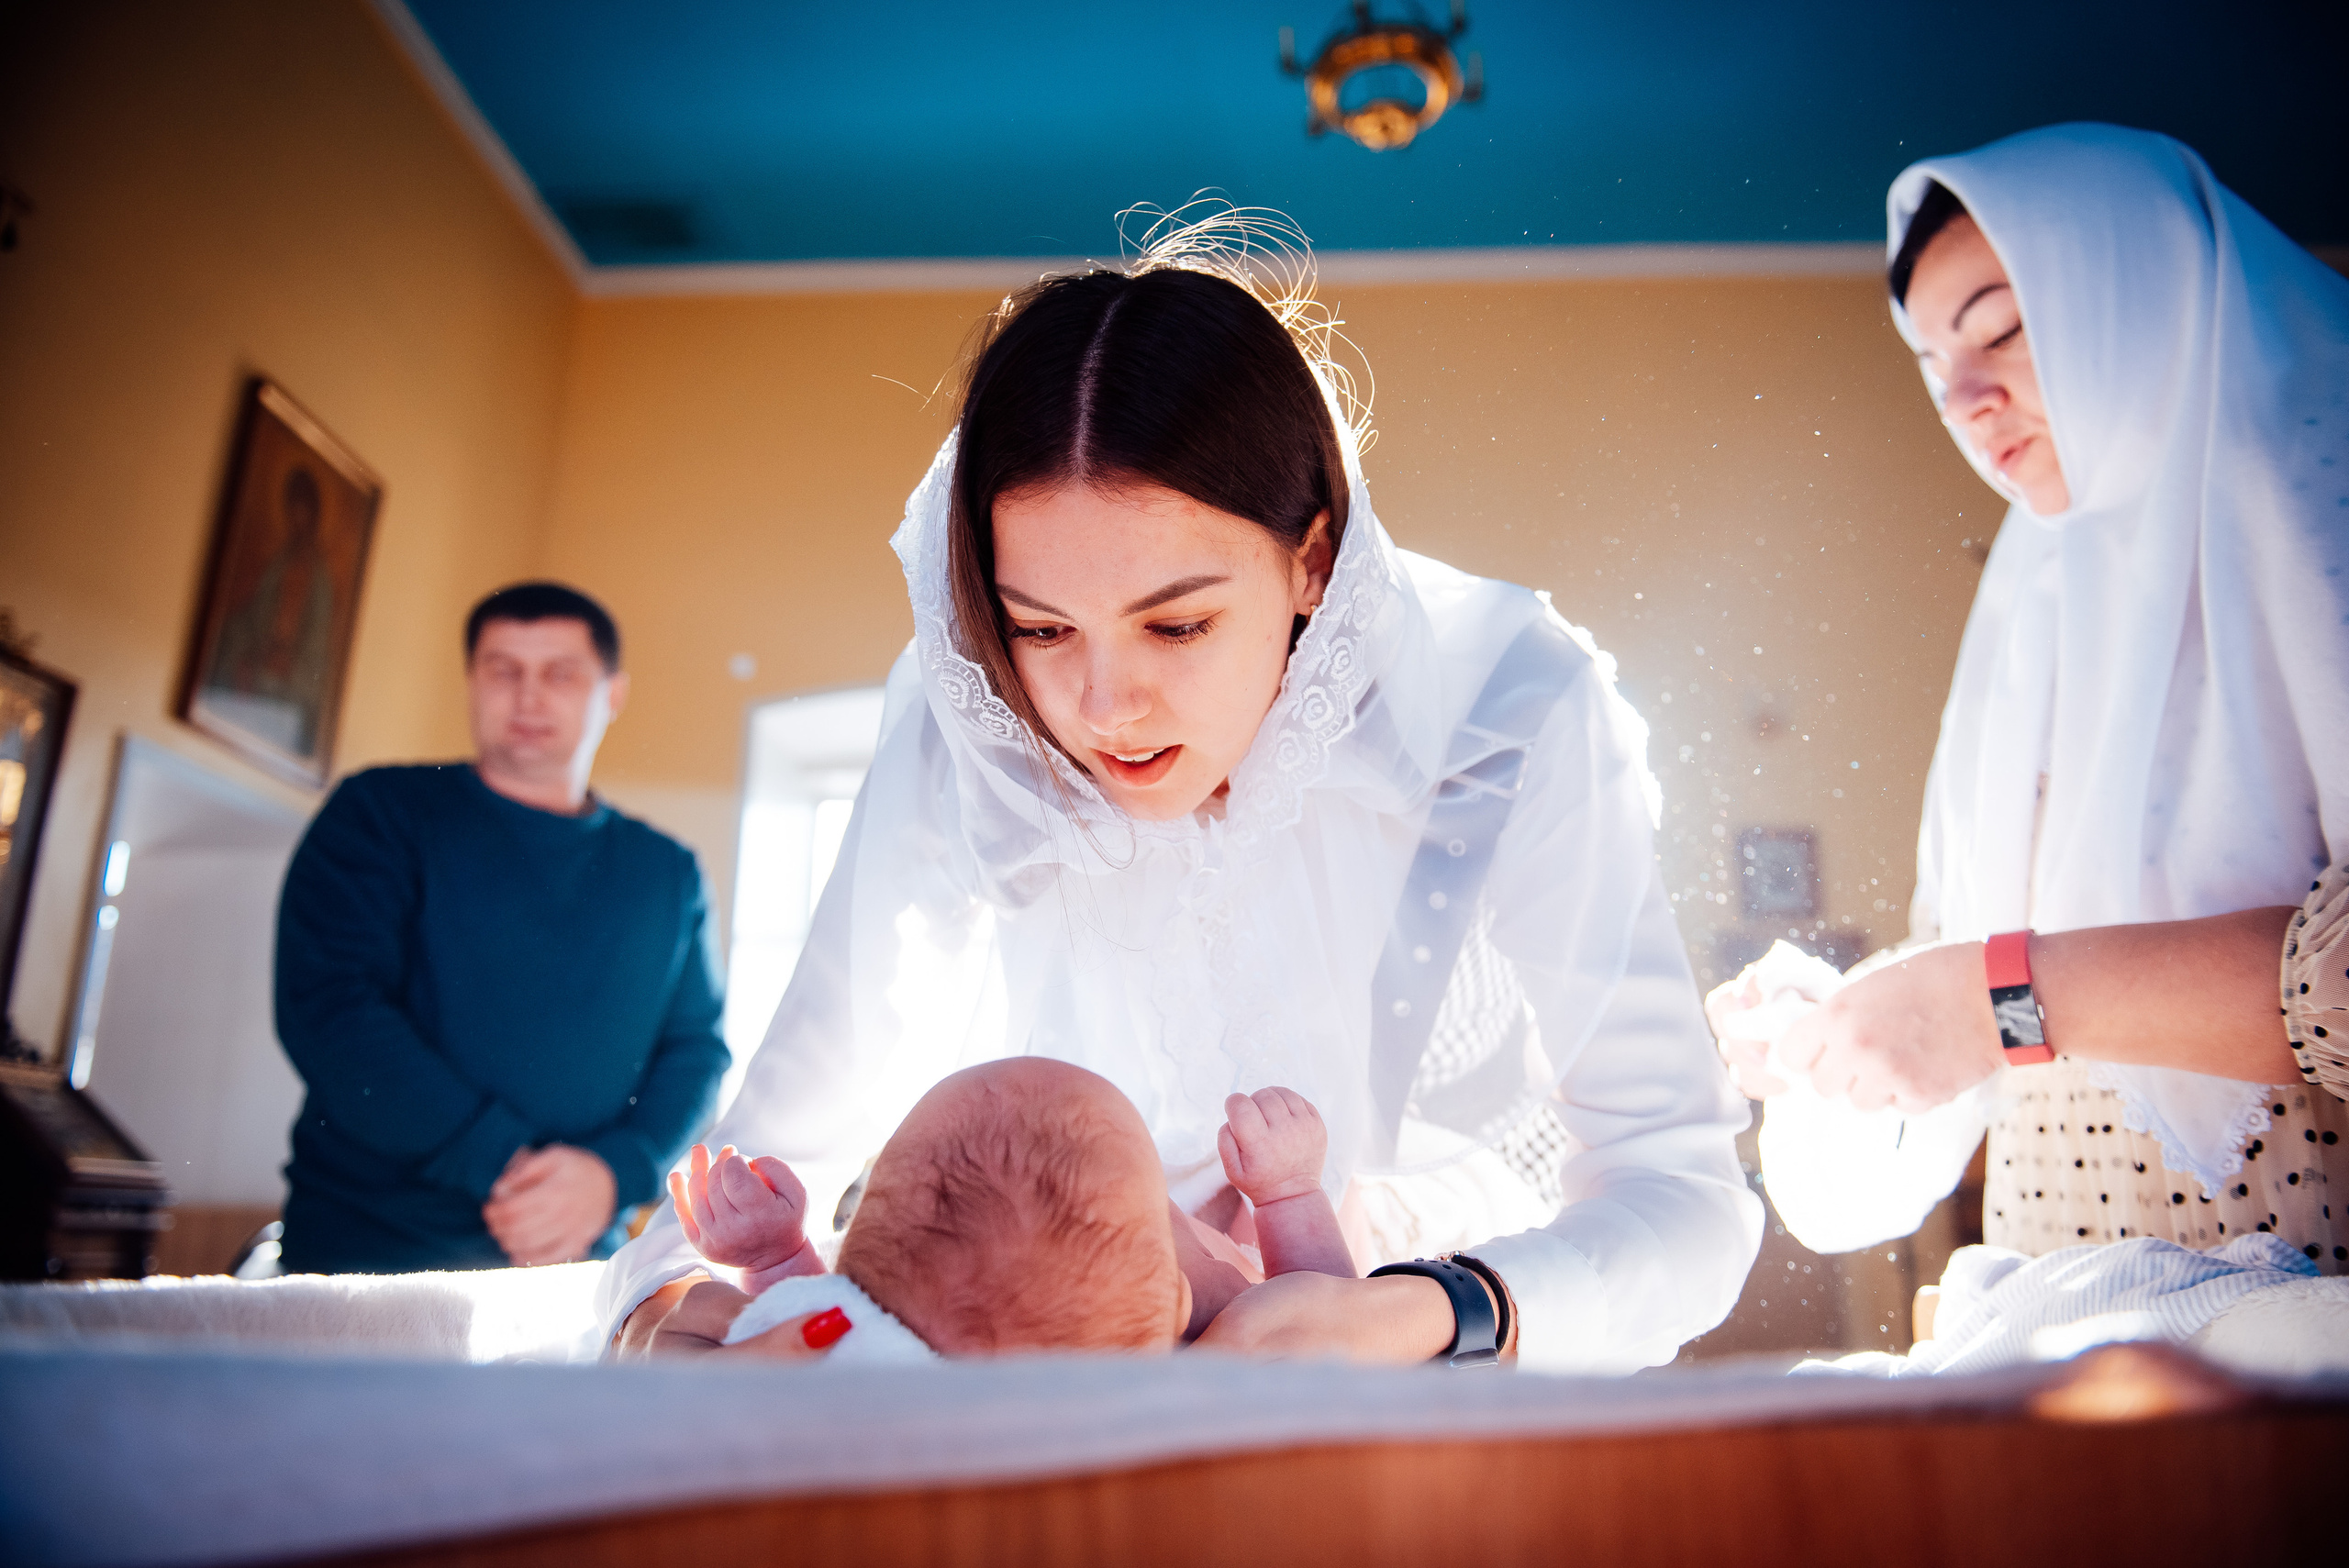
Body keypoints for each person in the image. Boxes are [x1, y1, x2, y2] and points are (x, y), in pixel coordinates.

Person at [598, 214, 1762, 1373]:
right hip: (1046, 1340)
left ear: (1311, 560)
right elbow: (764, 1149)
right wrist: (666, 1309)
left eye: (1178, 622)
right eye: (1042, 627)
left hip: (1412, 1336)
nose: (1103, 704)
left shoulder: (1505, 706)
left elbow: (1681, 1194)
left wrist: (1419, 1314)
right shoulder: (972, 720)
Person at [1709, 126, 2349, 1276]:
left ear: (2138, 301)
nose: (1962, 398)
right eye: (1927, 364)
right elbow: (1992, 975)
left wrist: (1987, 994)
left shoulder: (2322, 519)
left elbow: (2012, 988)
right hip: (2069, 1321)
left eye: (2004, 328)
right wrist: (1850, 1020)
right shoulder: (2033, 602)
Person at [273, 582, 730, 1273]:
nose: (528, 696)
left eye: (560, 673)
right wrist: (503, 1164)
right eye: (503, 670)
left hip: (576, 1265)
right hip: (365, 1252)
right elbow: (332, 1008)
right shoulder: (378, 813)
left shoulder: (669, 872)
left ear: (612, 693)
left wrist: (613, 1174)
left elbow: (696, 1051)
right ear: (472, 682)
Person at [644, 1066, 1352, 1361]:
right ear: (1175, 1298)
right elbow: (1340, 1314)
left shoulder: (896, 1364)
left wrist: (776, 1258)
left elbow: (831, 1343)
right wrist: (1289, 1194)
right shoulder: (1227, 1342)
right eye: (1158, 1209)